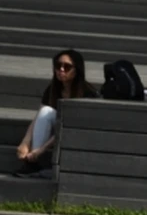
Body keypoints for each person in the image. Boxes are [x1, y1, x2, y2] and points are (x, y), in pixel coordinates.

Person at [15, 49, 98, 178]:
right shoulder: (54, 88)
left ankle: (35, 158)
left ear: (77, 70)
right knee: (46, 111)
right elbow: (39, 116)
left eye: (67, 67)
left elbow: (68, 126)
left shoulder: (87, 93)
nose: (61, 70)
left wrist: (41, 150)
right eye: (58, 65)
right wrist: (25, 142)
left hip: (76, 133)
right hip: (58, 129)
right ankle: (33, 163)